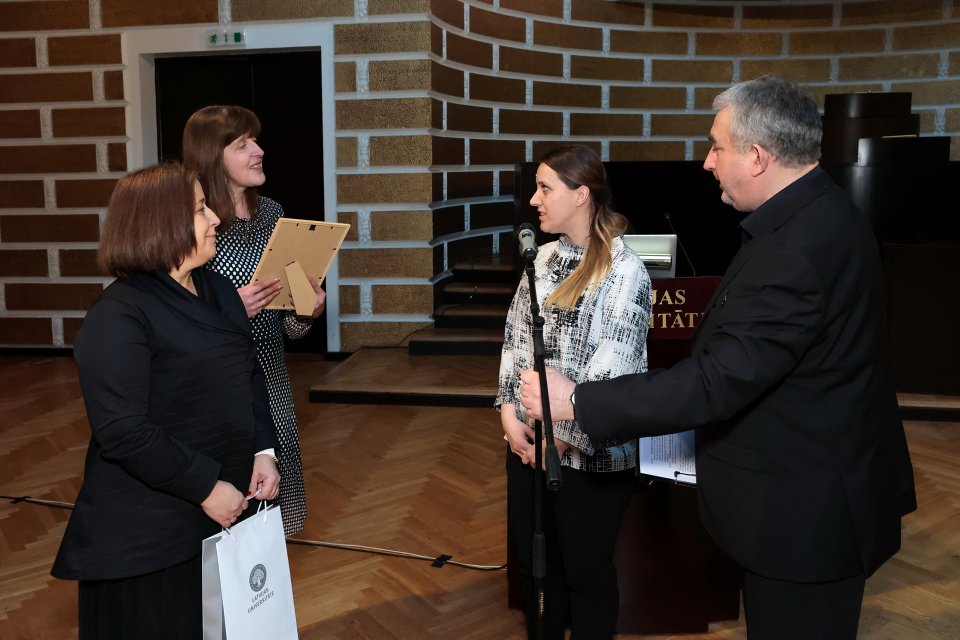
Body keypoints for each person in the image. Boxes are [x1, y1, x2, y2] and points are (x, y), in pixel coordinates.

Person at [518, 75, 917, 639]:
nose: (706, 163)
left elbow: (717, 381)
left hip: (806, 517)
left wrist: (577, 398)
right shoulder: (817, 215)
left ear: (757, 156)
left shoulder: (800, 248)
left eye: (716, 146)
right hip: (810, 494)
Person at [51, 162, 280, 639]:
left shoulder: (215, 288)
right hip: (149, 531)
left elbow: (248, 371)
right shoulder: (119, 313)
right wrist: (204, 486)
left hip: (219, 509)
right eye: (200, 211)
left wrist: (263, 450)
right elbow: (122, 430)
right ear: (160, 223)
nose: (215, 218)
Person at [498, 145, 652, 639]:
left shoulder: (625, 271)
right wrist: (508, 411)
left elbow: (613, 371)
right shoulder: (539, 260)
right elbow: (515, 342)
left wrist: (560, 438)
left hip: (591, 458)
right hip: (530, 448)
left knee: (585, 576)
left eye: (546, 188)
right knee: (535, 570)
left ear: (582, 194)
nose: (534, 199)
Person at [183, 105, 325, 536]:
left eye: (256, 141)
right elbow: (177, 321)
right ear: (212, 157)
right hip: (219, 391)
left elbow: (287, 328)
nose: (259, 151)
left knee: (269, 527)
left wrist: (306, 308)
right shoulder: (194, 230)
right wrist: (231, 311)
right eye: (243, 145)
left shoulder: (272, 214)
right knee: (228, 522)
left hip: (273, 383)